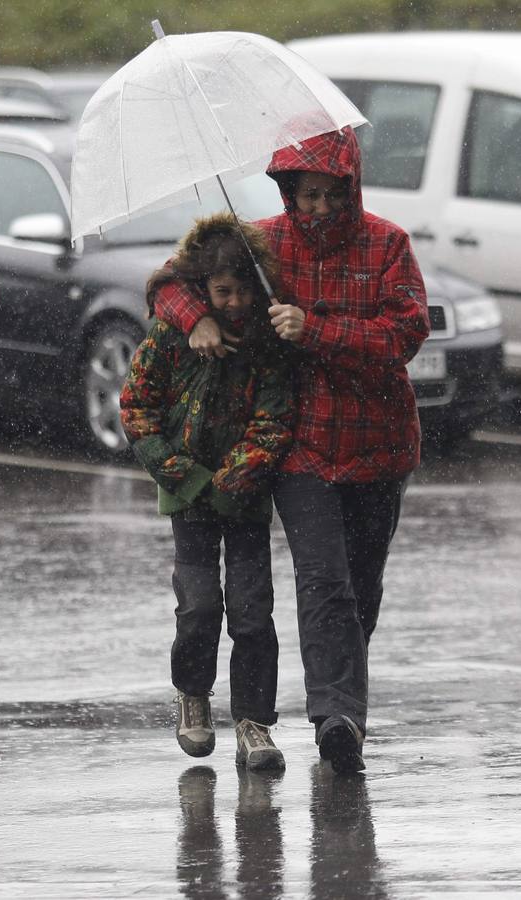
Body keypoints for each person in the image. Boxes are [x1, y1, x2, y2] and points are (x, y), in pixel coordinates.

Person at [150, 127, 431, 774]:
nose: (318, 210)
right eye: (306, 196)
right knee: (323, 581)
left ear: (350, 191)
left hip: (380, 448)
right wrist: (200, 320)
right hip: (303, 449)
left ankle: (342, 694)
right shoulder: (263, 246)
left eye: (330, 196)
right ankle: (338, 720)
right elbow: (168, 282)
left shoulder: (389, 246)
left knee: (361, 589)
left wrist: (320, 330)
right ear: (287, 192)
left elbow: (404, 334)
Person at [120, 212, 293, 771]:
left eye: (244, 290)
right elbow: (137, 408)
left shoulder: (264, 341)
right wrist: (185, 477)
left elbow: (273, 421)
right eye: (223, 291)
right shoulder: (172, 336)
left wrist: (233, 479)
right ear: (202, 288)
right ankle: (193, 694)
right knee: (198, 607)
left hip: (244, 498)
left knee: (251, 612)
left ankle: (254, 722)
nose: (236, 302)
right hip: (187, 499)